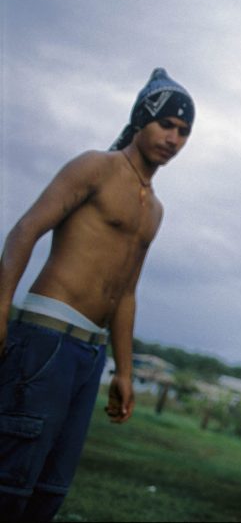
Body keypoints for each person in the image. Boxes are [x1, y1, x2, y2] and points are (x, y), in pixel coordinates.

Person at [0, 68, 194, 521]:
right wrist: (1, 306)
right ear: (141, 120)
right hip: (47, 337)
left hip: (90, 354)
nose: (173, 138)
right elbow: (25, 231)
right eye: (166, 124)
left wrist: (123, 370)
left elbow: (126, 293)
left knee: (49, 490)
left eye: (184, 131)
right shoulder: (96, 167)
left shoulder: (155, 209)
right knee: (11, 481)